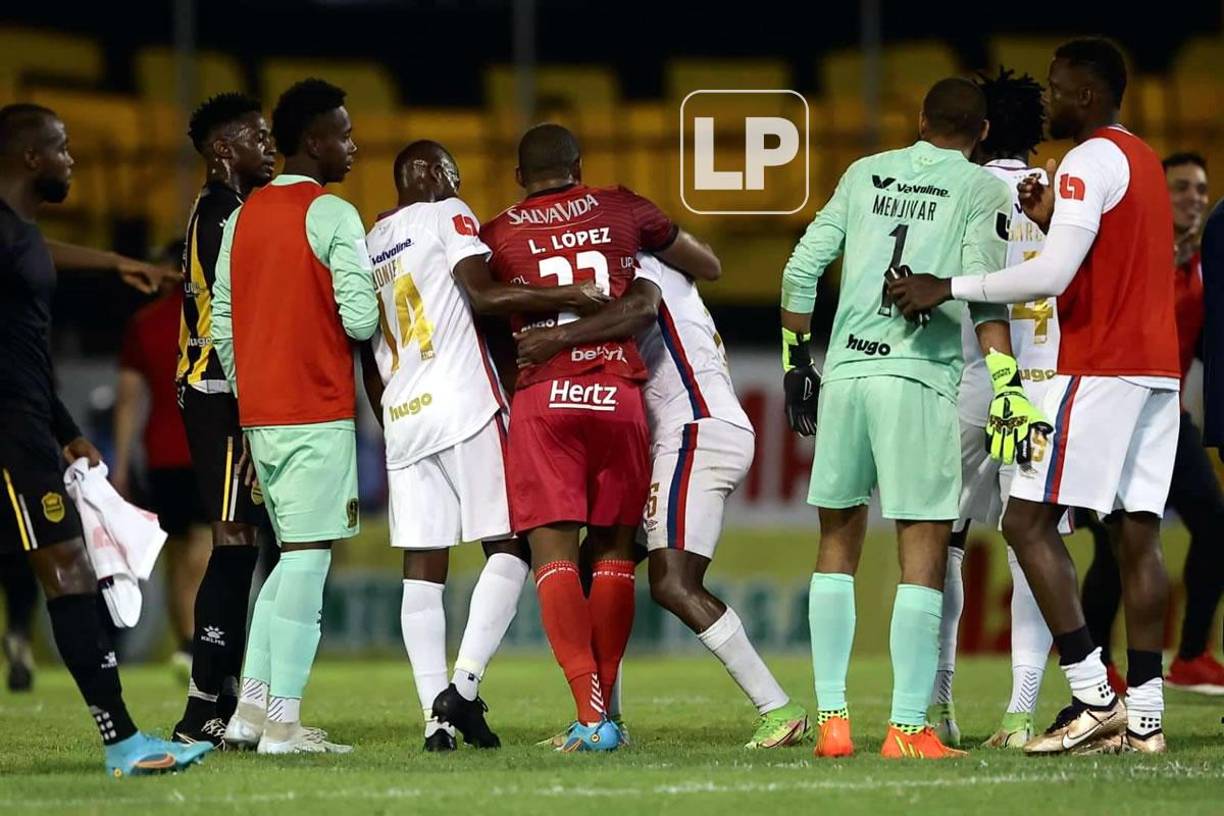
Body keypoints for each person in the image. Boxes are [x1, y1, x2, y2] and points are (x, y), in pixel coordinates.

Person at [888, 38, 1179, 755]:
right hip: (1156, 373)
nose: (1051, 98)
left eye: (1060, 87)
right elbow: (1096, 259)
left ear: (1088, 93)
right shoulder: (1142, 158)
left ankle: (1088, 695)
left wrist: (944, 287)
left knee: (1021, 525)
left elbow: (1050, 277)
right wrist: (1049, 218)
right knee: (1137, 537)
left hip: (1087, 369)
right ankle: (1144, 716)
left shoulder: (1081, 162)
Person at [782, 77, 1034, 760]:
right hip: (917, 382)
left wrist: (795, 365)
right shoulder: (983, 188)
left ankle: (833, 721)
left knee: (836, 543)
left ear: (920, 118)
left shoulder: (865, 172)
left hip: (847, 378)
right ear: (983, 134)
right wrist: (1008, 385)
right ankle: (906, 728)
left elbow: (801, 269)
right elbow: (984, 298)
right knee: (921, 551)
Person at [360, 140, 608, 751]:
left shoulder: (368, 245)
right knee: (511, 547)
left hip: (402, 414)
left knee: (423, 567)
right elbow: (483, 295)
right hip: (464, 403)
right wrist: (569, 297)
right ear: (443, 175)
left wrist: (389, 417)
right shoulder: (449, 213)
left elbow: (363, 347)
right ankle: (462, 690)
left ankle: (433, 721)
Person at [480, 123, 720, 752]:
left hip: (546, 396)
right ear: (578, 167)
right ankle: (606, 717)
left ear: (519, 178)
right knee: (614, 552)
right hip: (617, 395)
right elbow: (707, 264)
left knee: (553, 555)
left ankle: (590, 718)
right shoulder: (621, 205)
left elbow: (479, 302)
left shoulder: (499, 230)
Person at [514, 253, 810, 748]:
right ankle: (604, 721)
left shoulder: (640, 268)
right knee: (597, 563)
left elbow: (632, 309)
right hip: (697, 428)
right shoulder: (655, 267)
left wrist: (551, 330)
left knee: (673, 582)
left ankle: (778, 707)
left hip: (694, 429)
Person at [0, 102, 211, 776]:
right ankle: (122, 742)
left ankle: (124, 740)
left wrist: (63, 430)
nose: (71, 160)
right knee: (67, 570)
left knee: (69, 570)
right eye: (61, 148)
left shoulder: (19, 235)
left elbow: (36, 271)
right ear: (31, 157)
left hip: (31, 426)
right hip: (8, 429)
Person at [213, 79, 377, 755]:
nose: (352, 145)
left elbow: (220, 322)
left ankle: (248, 714)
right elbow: (361, 318)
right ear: (314, 140)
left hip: (262, 416)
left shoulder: (239, 217)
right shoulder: (334, 214)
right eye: (343, 132)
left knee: (285, 564)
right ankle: (285, 724)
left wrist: (252, 393)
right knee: (308, 562)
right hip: (316, 411)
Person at [928, 67, 1057, 750]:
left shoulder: (961, 190)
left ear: (976, 129)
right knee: (1031, 543)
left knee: (940, 541)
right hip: (1044, 381)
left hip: (971, 377)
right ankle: (1020, 712)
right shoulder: (1063, 193)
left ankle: (940, 704)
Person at [1080, 152, 1224, 696]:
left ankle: (1190, 657)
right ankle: (1098, 666)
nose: (1195, 197)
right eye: (1182, 187)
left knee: (1214, 524)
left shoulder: (1206, 263)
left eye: (1202, 188)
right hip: (1111, 412)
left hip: (1170, 416)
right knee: (1114, 542)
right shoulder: (1133, 252)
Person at [167, 92, 277, 748]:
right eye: (256, 137)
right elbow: (236, 316)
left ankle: (223, 694)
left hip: (216, 391)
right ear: (221, 151)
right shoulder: (223, 213)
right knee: (232, 543)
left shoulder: (223, 209)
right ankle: (203, 705)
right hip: (221, 391)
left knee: (240, 544)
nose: (269, 147)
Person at [113, 247, 210, 680]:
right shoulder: (213, 320)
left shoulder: (143, 324)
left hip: (162, 456)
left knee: (177, 555)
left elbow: (128, 401)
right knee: (205, 550)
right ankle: (199, 642)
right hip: (206, 449)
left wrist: (119, 463)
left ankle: (188, 643)